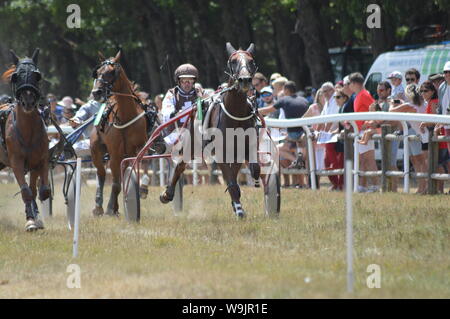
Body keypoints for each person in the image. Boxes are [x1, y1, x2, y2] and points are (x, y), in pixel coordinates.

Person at [259, 81, 309, 188]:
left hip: (293, 136)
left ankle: (295, 161)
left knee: (276, 149)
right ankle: (301, 172)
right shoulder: (304, 100)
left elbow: (267, 110)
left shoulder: (284, 100)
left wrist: (254, 111)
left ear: (286, 90)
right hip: (305, 135)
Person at [389, 83, 428, 194]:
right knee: (423, 162)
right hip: (424, 136)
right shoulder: (423, 103)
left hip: (423, 137)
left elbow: (391, 111)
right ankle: (424, 187)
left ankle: (423, 187)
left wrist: (393, 103)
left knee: (421, 163)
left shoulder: (410, 105)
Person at [348, 72, 379, 192]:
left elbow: (375, 109)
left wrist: (371, 122)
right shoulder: (359, 95)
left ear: (355, 83)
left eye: (349, 83)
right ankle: (362, 186)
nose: (349, 86)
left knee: (369, 160)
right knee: (362, 160)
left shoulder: (364, 95)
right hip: (360, 131)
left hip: (365, 131)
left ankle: (375, 186)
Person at [419, 80, 448, 193]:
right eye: (421, 91)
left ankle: (440, 189)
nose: (423, 93)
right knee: (437, 163)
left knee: (439, 163)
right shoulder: (431, 101)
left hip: (439, 137)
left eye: (425, 91)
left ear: (432, 91)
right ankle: (437, 188)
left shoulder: (434, 102)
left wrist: (425, 123)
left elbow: (436, 118)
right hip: (435, 137)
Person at [302, 89, 325, 188]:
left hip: (326, 138)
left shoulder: (330, 106)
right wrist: (309, 130)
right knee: (314, 163)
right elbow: (303, 119)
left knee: (322, 163)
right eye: (321, 94)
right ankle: (315, 184)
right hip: (316, 139)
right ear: (318, 96)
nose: (323, 96)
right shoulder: (313, 107)